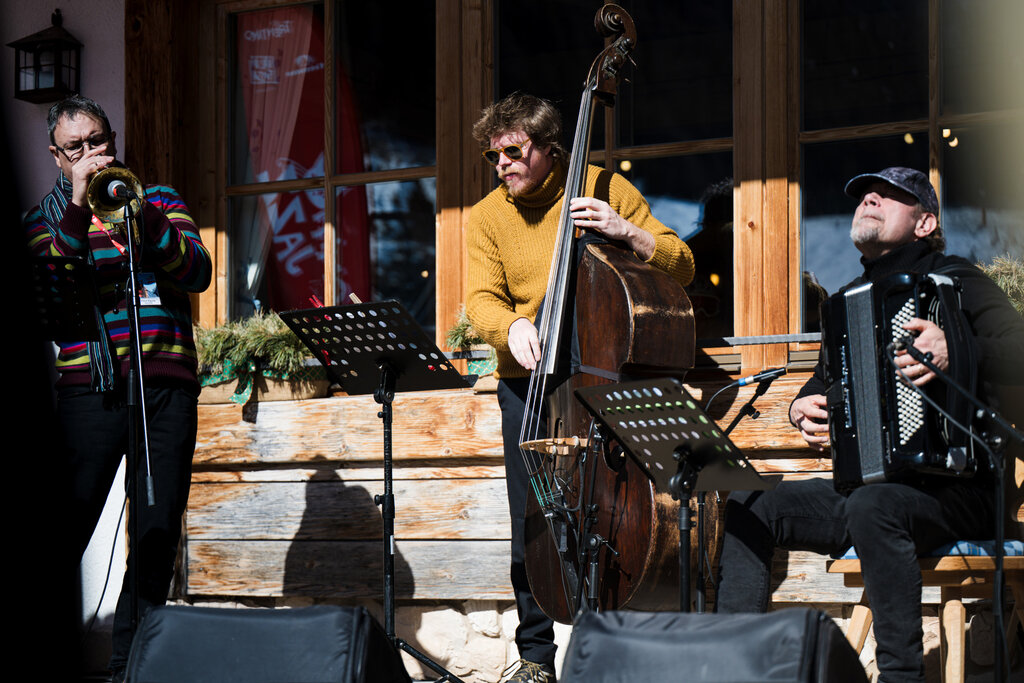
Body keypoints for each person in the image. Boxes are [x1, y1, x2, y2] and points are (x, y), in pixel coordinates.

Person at [715, 167, 1024, 682]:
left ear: (925, 223)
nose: (869, 199)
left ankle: (901, 676)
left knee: (874, 504)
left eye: (889, 196)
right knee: (753, 504)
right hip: (870, 496)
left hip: (958, 491)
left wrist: (956, 347)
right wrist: (803, 406)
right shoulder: (847, 301)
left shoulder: (958, 279)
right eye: (863, 196)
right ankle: (737, 666)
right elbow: (824, 380)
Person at [465, 92, 694, 683]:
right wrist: (509, 324)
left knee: (614, 517)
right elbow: (481, 300)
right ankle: (537, 660)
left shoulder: (604, 188)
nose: (502, 166)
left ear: (548, 147)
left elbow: (682, 264)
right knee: (533, 522)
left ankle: (618, 650)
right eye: (494, 157)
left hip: (602, 372)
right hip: (530, 385)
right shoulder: (488, 216)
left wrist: (626, 232)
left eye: (513, 152)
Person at [24, 95, 211, 682]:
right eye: (74, 148)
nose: (89, 154)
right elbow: (55, 298)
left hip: (165, 387)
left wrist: (140, 216)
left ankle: (134, 667)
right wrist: (80, 207)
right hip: (90, 392)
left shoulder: (158, 200)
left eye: (97, 141)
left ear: (112, 138)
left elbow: (197, 271)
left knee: (156, 533)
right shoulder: (43, 221)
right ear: (57, 157)